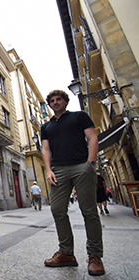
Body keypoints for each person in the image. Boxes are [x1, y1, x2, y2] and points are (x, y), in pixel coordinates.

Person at [41, 90, 105, 276]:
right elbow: (46, 149)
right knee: (58, 209)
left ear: (65, 101)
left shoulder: (79, 116)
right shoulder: (46, 126)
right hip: (58, 169)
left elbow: (92, 138)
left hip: (81, 166)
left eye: (58, 99)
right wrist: (48, 169)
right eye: (52, 101)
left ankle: (95, 256)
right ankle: (66, 253)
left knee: (89, 211)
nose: (55, 102)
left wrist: (90, 164)